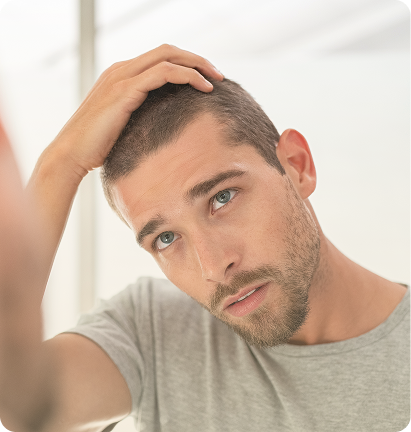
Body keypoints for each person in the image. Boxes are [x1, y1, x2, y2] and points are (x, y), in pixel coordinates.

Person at [1, 45, 409, 432]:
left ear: (297, 166)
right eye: (165, 238)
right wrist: (60, 164)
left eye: (222, 198)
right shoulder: (151, 332)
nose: (213, 267)